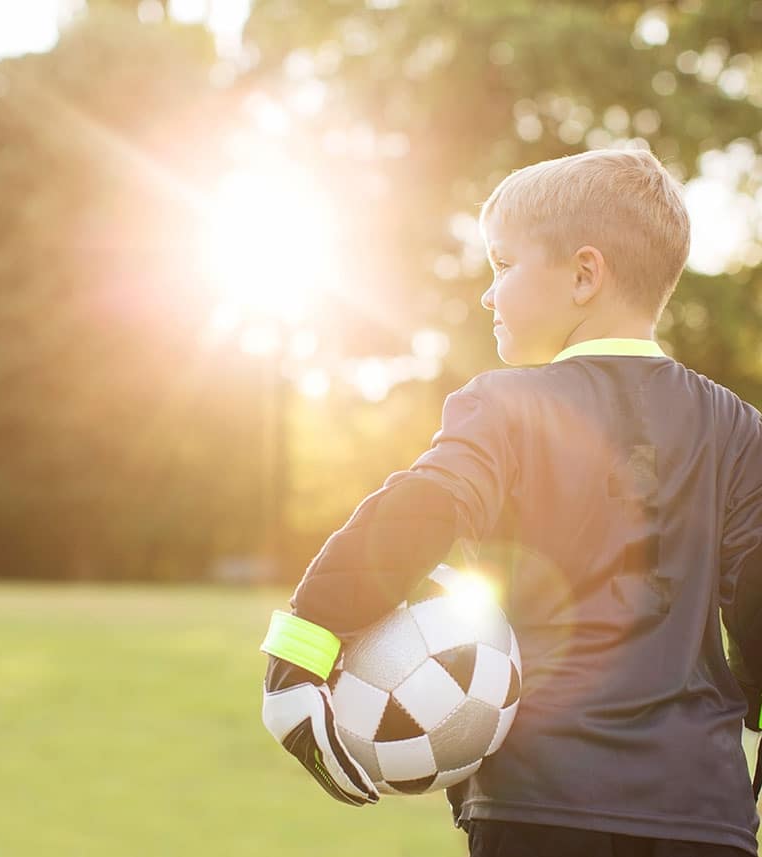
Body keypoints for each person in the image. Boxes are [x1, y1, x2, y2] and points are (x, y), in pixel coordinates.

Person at [259, 148, 762, 856]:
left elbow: (421, 510)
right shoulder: (740, 428)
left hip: (539, 807)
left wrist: (301, 650)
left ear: (585, 274)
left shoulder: (502, 405)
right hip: (704, 816)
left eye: (502, 265)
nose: (488, 294)